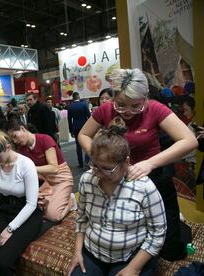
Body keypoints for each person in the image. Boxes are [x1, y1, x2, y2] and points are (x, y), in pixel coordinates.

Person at [78, 68, 198, 261]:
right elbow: (83, 135)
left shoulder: (155, 108)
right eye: (121, 105)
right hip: (116, 178)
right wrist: (98, 158)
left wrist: (149, 164)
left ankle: (181, 225)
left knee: (172, 251)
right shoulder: (106, 109)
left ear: (145, 98)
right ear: (114, 97)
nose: (128, 112)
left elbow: (189, 140)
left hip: (153, 177)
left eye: (135, 106)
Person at [68, 125, 167, 276]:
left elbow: (158, 233)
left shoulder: (144, 187)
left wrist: (134, 267)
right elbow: (81, 219)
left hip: (130, 255)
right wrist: (77, 252)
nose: (98, 173)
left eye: (107, 168)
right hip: (92, 251)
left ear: (126, 162)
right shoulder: (87, 179)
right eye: (95, 165)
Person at [0, 127, 42, 276]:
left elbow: (31, 204)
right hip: (5, 210)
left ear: (7, 147)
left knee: (4, 262)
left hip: (27, 213)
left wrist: (10, 229)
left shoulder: (26, 164)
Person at [7, 119, 74, 223]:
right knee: (33, 209)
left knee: (53, 216)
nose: (15, 141)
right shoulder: (21, 150)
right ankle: (56, 199)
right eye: (13, 140)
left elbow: (54, 168)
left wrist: (30, 168)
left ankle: (70, 200)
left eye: (15, 136)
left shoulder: (45, 139)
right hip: (45, 181)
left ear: (22, 128)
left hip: (61, 177)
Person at [68, 92, 91, 168]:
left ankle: (80, 164)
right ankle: (86, 161)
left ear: (73, 98)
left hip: (76, 127)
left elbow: (69, 120)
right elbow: (89, 116)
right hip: (85, 127)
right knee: (87, 143)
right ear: (79, 97)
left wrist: (71, 131)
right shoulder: (84, 104)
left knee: (78, 146)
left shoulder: (70, 107)